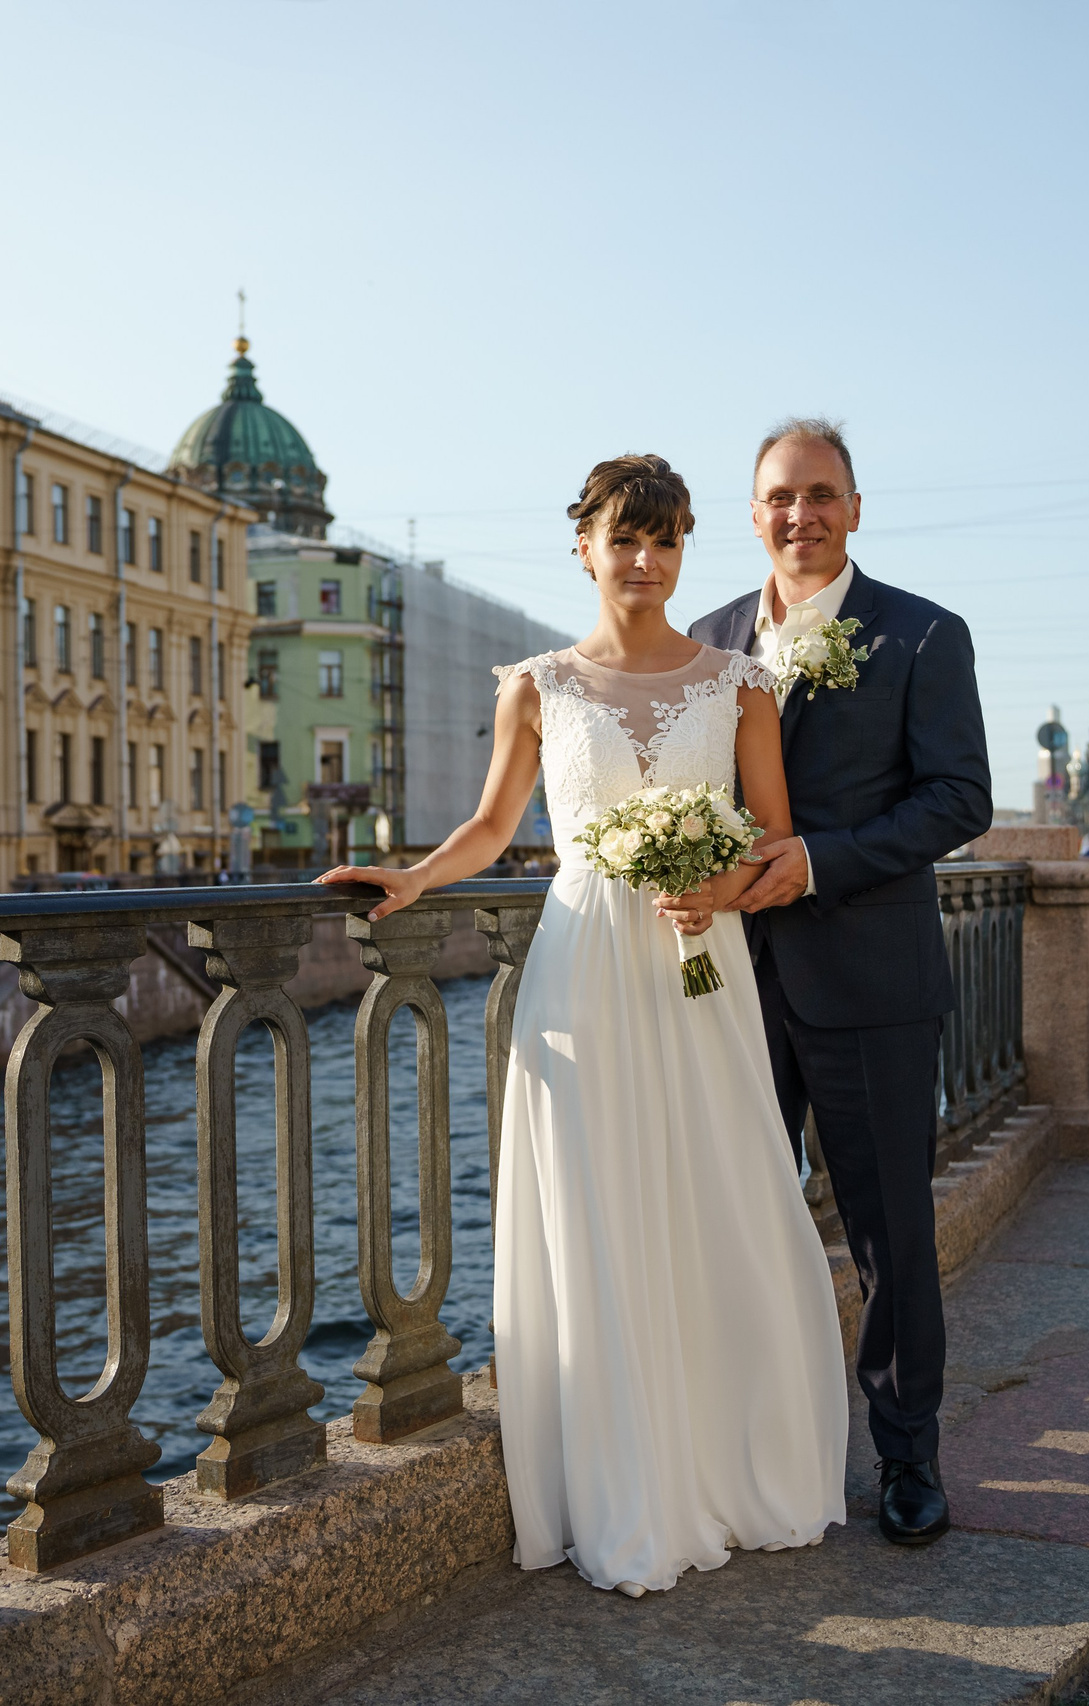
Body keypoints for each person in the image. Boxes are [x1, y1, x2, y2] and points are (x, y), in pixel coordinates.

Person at [320, 454, 845, 1596]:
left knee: (721, 1186)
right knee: (597, 1197)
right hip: (581, 968)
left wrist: (716, 885)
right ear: (585, 546)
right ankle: (622, 1474)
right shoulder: (537, 684)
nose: (645, 562)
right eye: (624, 539)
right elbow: (490, 824)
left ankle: (734, 1456)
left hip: (697, 954)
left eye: (664, 541)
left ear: (683, 548)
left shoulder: (739, 683)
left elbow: (773, 836)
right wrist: (410, 880)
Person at [673, 418, 992, 1548]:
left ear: (853, 509)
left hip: (871, 980)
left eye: (819, 494)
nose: (798, 514)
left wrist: (817, 859)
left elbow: (960, 799)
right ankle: (749, 1448)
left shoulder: (920, 634)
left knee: (890, 1234)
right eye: (777, 497)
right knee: (731, 1220)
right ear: (750, 512)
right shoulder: (702, 641)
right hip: (723, 986)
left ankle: (907, 1456)